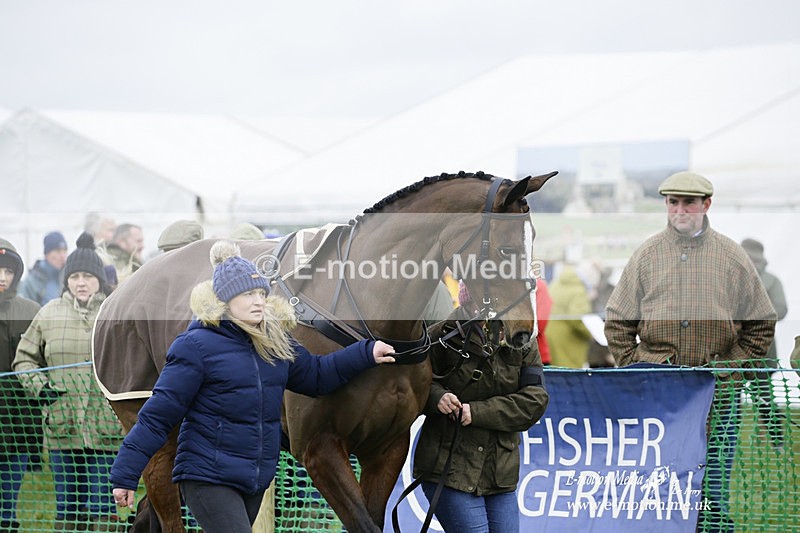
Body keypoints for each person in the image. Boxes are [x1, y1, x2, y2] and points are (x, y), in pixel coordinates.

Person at [109, 241, 396, 533]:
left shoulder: (276, 343)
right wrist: (125, 474)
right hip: (208, 477)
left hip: (254, 478)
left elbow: (318, 376)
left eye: (261, 293)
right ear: (224, 300)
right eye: (247, 294)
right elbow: (157, 416)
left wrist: (365, 354)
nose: (258, 300)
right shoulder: (194, 346)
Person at [604, 171, 776, 533]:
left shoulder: (732, 256)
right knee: (657, 490)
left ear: (706, 205)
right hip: (659, 401)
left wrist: (729, 371)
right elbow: (618, 321)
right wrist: (639, 369)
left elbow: (761, 322)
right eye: (673, 202)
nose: (680, 210)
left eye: (689, 203)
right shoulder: (646, 255)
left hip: (718, 399)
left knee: (712, 493)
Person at [413, 281, 549, 532]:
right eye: (475, 298)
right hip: (447, 468)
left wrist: (475, 412)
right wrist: (437, 397)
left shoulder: (522, 339)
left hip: (499, 473)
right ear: (465, 299)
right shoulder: (440, 335)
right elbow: (414, 385)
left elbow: (535, 400)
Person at [13, 233, 125, 531]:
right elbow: (24, 359)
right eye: (74, 276)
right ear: (67, 280)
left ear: (99, 279)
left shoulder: (115, 312)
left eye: (88, 275)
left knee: (104, 507)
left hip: (107, 429)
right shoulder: (48, 313)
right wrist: (40, 387)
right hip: (63, 426)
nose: (81, 282)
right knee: (68, 509)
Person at [0, 239, 42, 532]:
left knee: (10, 497)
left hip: (19, 419)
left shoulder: (32, 309)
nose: (3, 277)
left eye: (8, 271)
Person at [740, 238, 788, 447]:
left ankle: (776, 439)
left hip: (763, 349)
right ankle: (725, 438)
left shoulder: (772, 282)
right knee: (728, 398)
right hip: (733, 348)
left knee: (764, 396)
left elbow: (781, 309)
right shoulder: (733, 279)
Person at [546, 265, 593, 368]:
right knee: (570, 376)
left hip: (550, 335)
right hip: (569, 341)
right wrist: (590, 333)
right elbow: (576, 319)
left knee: (555, 373)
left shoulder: (555, 284)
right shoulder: (578, 290)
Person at [18, 231, 68, 306]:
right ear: (47, 254)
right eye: (58, 251)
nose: (63, 256)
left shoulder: (69, 276)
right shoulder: (32, 282)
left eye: (65, 251)